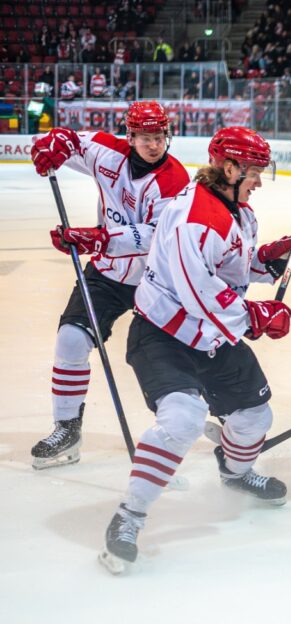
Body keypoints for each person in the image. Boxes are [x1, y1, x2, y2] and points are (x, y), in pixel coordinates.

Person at [98, 127, 291, 574]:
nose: (259, 181)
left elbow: (231, 268)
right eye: (254, 172)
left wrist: (271, 260)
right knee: (182, 418)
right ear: (230, 168)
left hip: (210, 337)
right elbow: (197, 291)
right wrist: (253, 316)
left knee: (255, 417)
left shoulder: (238, 212)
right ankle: (129, 517)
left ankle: (234, 473)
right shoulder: (193, 216)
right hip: (164, 335)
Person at [29, 102, 190, 470]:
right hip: (108, 273)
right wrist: (53, 144)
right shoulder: (106, 150)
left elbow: (157, 235)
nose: (155, 145)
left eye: (160, 137)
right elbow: (69, 142)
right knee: (71, 339)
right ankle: (67, 429)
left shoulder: (173, 180)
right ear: (129, 136)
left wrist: (101, 238)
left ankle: (226, 414)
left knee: (184, 352)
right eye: (146, 138)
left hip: (157, 279)